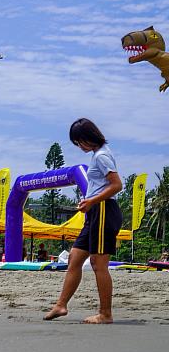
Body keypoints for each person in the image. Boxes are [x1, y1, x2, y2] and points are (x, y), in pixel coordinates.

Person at [45, 118, 123, 324]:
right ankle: (61, 305)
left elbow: (117, 185)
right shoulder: (99, 154)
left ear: (88, 138)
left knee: (98, 264)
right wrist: (90, 203)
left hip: (104, 210)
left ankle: (106, 314)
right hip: (96, 211)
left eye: (79, 142)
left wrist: (91, 201)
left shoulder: (102, 156)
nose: (79, 147)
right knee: (75, 258)